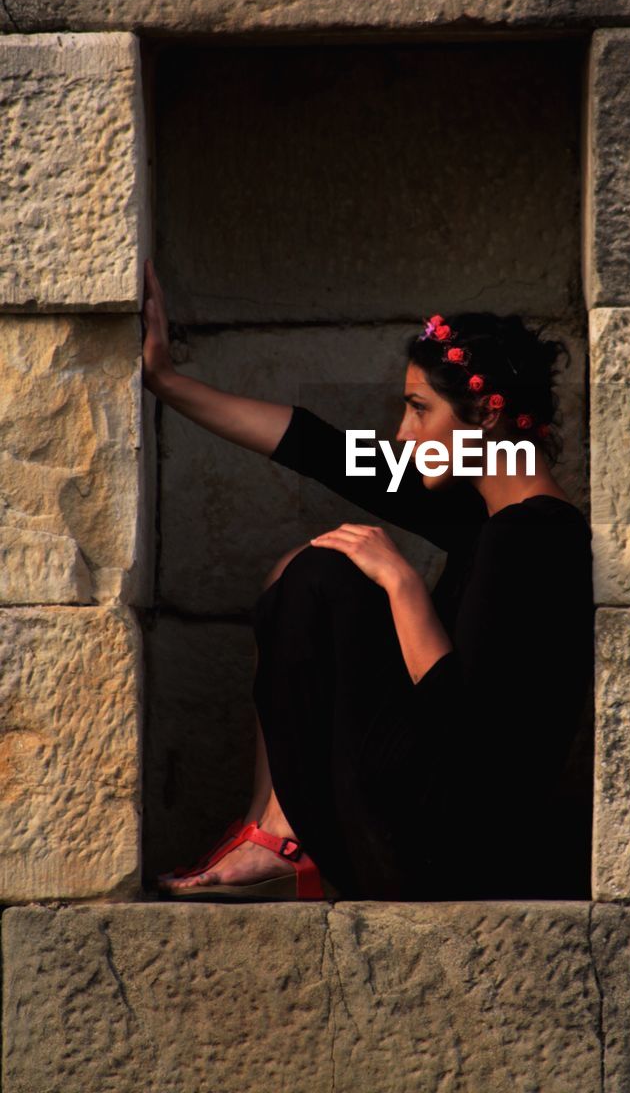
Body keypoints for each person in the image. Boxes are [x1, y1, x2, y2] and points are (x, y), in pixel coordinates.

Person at [143, 260, 594, 901]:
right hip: (417, 835)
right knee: (308, 566)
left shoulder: (533, 538)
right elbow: (322, 449)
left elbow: (467, 735)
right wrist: (166, 382)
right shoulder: (485, 515)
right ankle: (271, 833)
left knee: (325, 572)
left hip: (441, 851)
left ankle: (281, 842)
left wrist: (403, 585)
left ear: (484, 418)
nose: (403, 436)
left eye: (419, 410)